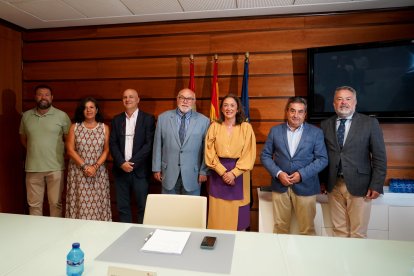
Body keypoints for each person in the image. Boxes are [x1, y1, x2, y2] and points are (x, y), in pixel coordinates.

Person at [320, 86, 387, 238]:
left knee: (358, 233)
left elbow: (379, 157)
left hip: (361, 187)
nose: (344, 102)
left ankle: (357, 262)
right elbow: (323, 155)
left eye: (348, 99)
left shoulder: (370, 123)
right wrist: (322, 181)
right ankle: (342, 262)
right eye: (339, 99)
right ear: (334, 104)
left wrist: (376, 184)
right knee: (339, 232)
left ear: (355, 102)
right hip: (333, 185)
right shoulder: (325, 124)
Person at [260, 96, 328, 235]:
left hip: (306, 186)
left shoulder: (316, 133)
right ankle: (280, 257)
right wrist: (279, 173)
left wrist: (301, 175)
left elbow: (322, 159)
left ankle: (306, 257)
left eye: (300, 111)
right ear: (287, 112)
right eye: (292, 111)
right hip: (280, 186)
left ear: (305, 114)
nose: (296, 115)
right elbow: (265, 156)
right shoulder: (275, 131)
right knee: (280, 228)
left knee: (307, 229)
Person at [205, 94, 256, 231]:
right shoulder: (214, 126)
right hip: (217, 174)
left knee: (239, 223)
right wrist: (223, 173)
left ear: (238, 108)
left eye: (232, 105)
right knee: (217, 219)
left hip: (239, 176)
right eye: (225, 105)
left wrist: (233, 174)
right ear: (221, 109)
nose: (229, 108)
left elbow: (249, 154)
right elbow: (209, 153)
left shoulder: (246, 127)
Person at [19, 84, 71, 217]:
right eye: (40, 94)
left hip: (55, 167)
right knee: (34, 205)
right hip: (32, 168)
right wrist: (35, 151)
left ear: (52, 97)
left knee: (55, 204)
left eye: (47, 95)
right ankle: (36, 235)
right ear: (35, 97)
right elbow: (24, 139)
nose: (43, 97)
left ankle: (56, 235)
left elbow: (69, 141)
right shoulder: (26, 116)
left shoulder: (62, 116)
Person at [109, 88, 155, 223]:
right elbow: (113, 144)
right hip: (120, 170)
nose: (127, 99)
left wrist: (132, 163)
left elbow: (149, 145)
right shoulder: (117, 120)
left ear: (138, 100)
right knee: (123, 208)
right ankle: (125, 236)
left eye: (131, 97)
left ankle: (142, 236)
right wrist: (122, 163)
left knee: (143, 207)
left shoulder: (148, 119)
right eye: (125, 97)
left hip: (140, 171)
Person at [152, 88, 210, 195]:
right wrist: (156, 168)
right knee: (169, 209)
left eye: (189, 99)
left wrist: (204, 171)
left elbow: (206, 150)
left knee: (190, 210)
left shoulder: (204, 121)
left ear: (194, 101)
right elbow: (157, 145)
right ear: (177, 99)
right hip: (168, 173)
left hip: (193, 175)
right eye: (182, 98)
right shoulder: (163, 118)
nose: (185, 101)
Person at [65, 97, 112, 221]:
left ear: (96, 110)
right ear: (82, 111)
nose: (88, 110)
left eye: (91, 107)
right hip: (79, 172)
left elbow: (106, 150)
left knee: (98, 205)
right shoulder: (74, 127)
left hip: (98, 173)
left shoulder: (104, 128)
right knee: (79, 204)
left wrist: (94, 167)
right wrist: (85, 166)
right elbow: (70, 150)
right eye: (85, 108)